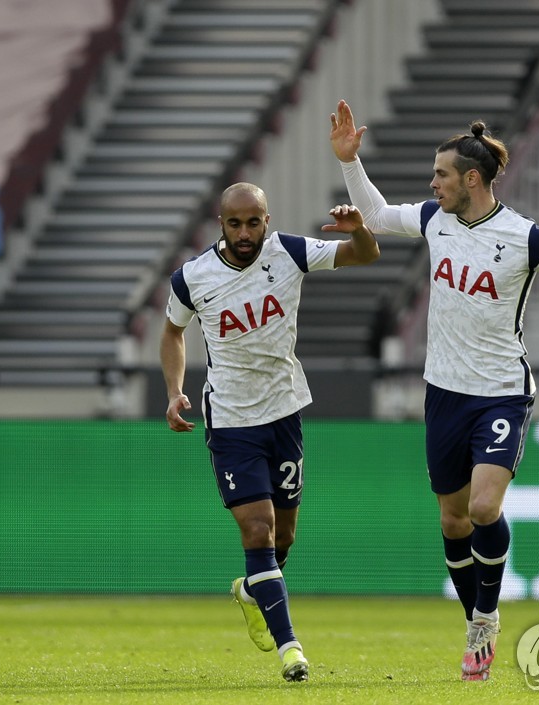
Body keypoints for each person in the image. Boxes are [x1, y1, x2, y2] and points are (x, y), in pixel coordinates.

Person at [329, 100, 539, 681]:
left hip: (502, 391)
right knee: (453, 522)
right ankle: (474, 619)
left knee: (483, 507)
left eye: (441, 175)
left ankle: (486, 614)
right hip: (443, 391)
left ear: (470, 179)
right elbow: (374, 216)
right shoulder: (436, 219)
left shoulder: (527, 238)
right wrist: (351, 163)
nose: (433, 184)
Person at [160, 182, 379, 683]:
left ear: (266, 219)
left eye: (253, 222)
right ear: (221, 223)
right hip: (233, 420)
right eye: (234, 223)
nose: (244, 232)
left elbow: (366, 255)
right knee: (257, 530)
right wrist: (174, 390)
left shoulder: (290, 252)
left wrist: (359, 229)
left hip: (284, 412)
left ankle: (251, 589)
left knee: (282, 541)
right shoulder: (192, 278)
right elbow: (172, 331)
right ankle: (291, 650)